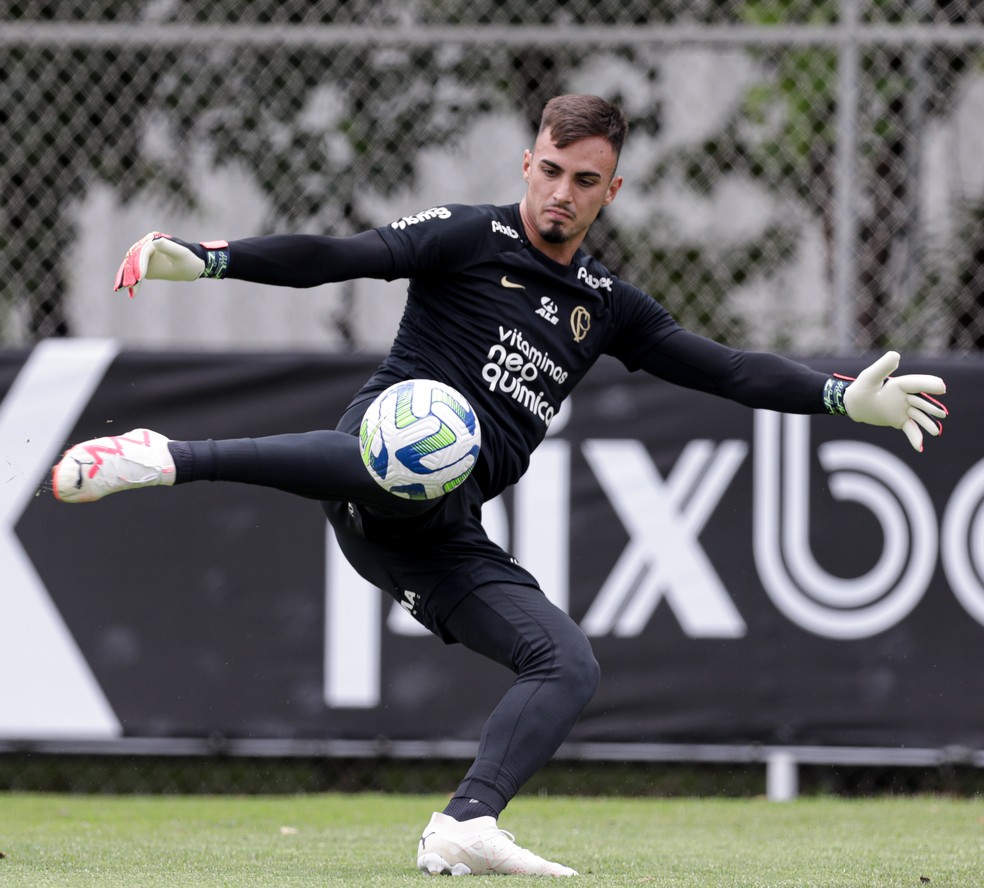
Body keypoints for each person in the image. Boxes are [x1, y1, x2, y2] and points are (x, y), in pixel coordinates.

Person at [52, 95, 948, 877]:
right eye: (551, 170)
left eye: (584, 180)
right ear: (528, 162)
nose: (562, 192)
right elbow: (337, 254)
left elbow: (728, 370)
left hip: (441, 529)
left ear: (611, 190)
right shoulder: (468, 237)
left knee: (567, 664)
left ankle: (465, 824)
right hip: (376, 467)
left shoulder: (606, 304)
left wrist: (839, 397)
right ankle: (167, 455)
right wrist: (211, 260)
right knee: (426, 444)